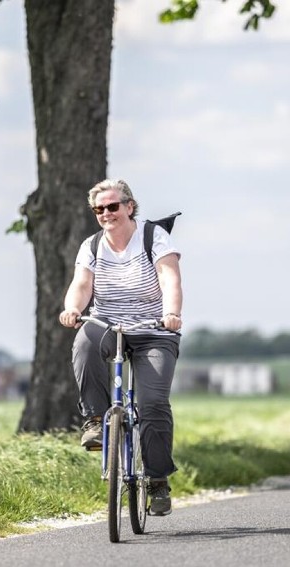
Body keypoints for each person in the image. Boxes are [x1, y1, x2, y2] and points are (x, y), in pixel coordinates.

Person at [58, 178, 183, 516]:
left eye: (113, 206)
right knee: (83, 342)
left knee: (153, 403)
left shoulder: (152, 236)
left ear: (129, 206)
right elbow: (82, 284)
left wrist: (171, 313)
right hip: (108, 325)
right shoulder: (92, 245)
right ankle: (96, 421)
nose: (106, 213)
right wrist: (73, 308)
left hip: (153, 329)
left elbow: (169, 276)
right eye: (99, 209)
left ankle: (157, 479)